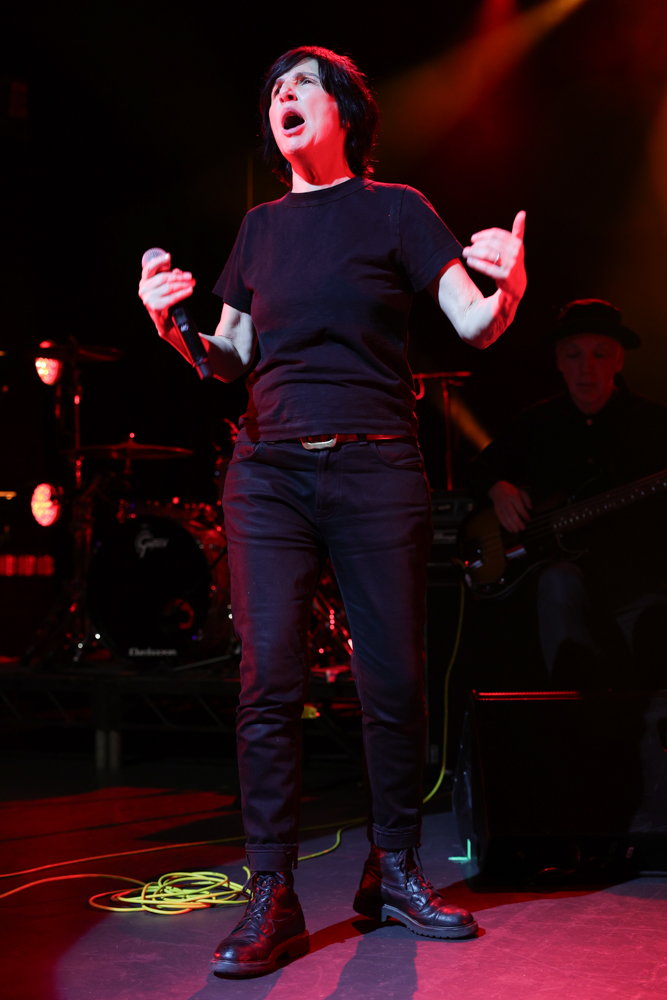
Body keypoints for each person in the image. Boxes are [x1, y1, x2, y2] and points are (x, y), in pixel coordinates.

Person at [139, 45, 526, 976]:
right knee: (268, 680)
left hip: (375, 466)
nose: (283, 96)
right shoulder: (260, 228)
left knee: (392, 680)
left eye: (301, 84)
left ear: (345, 108)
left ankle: (392, 868)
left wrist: (510, 281)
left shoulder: (397, 209)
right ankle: (271, 891)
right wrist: (169, 325)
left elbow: (474, 324)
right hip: (268, 470)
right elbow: (228, 356)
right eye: (273, 89)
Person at [474, 298, 667, 687]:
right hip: (563, 584)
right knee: (557, 584)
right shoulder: (536, 422)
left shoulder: (653, 423)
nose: (586, 368)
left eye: (600, 354)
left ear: (619, 360)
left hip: (640, 584)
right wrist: (498, 487)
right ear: (558, 361)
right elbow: (480, 467)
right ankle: (569, 704)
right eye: (573, 355)